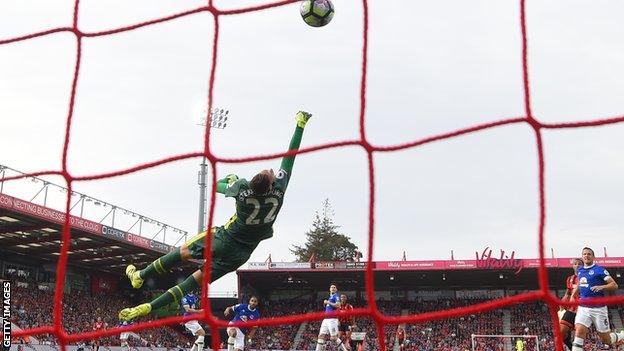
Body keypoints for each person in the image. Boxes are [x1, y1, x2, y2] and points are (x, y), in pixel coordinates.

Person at [118, 112, 312, 321]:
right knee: (193, 282)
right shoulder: (279, 189)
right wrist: (300, 125)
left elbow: (216, 186)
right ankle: (147, 307)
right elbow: (289, 157)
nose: (270, 170)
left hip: (224, 238)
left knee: (182, 252)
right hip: (242, 254)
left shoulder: (242, 188)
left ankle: (140, 275)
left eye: (266, 171)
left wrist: (231, 179)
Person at [571, 247, 624, 350]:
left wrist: (602, 287)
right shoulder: (580, 270)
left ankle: (621, 335)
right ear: (582, 257)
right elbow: (580, 283)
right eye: (584, 254)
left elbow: (614, 285)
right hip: (583, 307)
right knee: (579, 331)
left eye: (589, 254)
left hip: (599, 309)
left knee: (606, 340)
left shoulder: (599, 270)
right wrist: (573, 295)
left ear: (593, 257)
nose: (586, 256)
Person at [559, 258, 582, 350]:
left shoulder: (587, 276)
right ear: (573, 266)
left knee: (579, 335)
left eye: (579, 264)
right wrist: (562, 301)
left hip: (584, 309)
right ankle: (570, 346)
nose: (577, 265)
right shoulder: (570, 279)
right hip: (572, 309)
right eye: (575, 264)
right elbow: (568, 293)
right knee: (561, 333)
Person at [315, 284, 347, 351]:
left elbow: (338, 305)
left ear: (336, 289)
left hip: (332, 319)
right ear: (329, 289)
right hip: (326, 319)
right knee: (321, 336)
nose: (333, 288)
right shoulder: (330, 297)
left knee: (333, 338)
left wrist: (328, 302)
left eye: (334, 287)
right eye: (331, 287)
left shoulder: (336, 296)